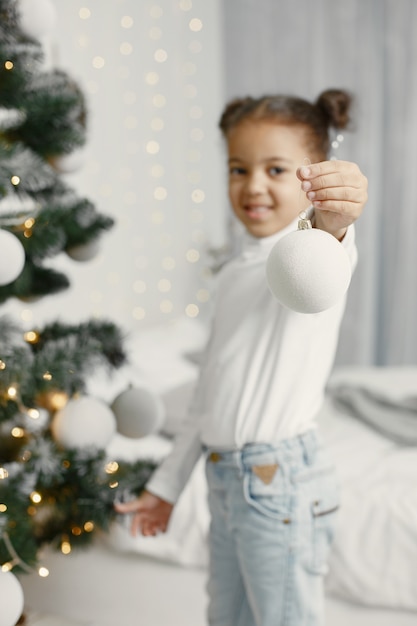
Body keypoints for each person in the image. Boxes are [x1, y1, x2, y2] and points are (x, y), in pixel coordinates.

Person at [115, 88, 368, 626]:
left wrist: (334, 219)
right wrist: (166, 486)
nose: (253, 185)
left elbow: (324, 260)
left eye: (277, 170)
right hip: (225, 482)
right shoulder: (235, 272)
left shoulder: (305, 256)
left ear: (313, 176)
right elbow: (206, 396)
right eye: (238, 168)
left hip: (280, 482)